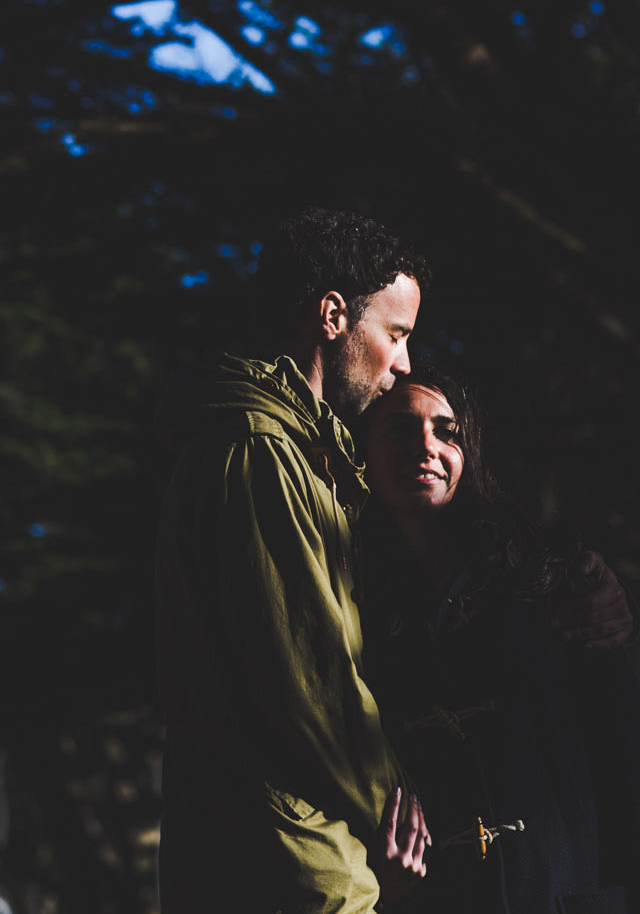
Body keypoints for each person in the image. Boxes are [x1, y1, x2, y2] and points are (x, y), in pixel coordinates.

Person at [154, 207, 434, 914]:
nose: (403, 365)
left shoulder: (294, 456)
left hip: (293, 854)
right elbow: (313, 683)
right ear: (333, 315)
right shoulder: (260, 454)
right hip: (289, 865)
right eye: (395, 334)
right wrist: (402, 812)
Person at [357, 365, 640, 914]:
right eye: (401, 430)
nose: (426, 446)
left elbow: (638, 778)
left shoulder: (550, 582)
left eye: (446, 431)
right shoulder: (356, 606)